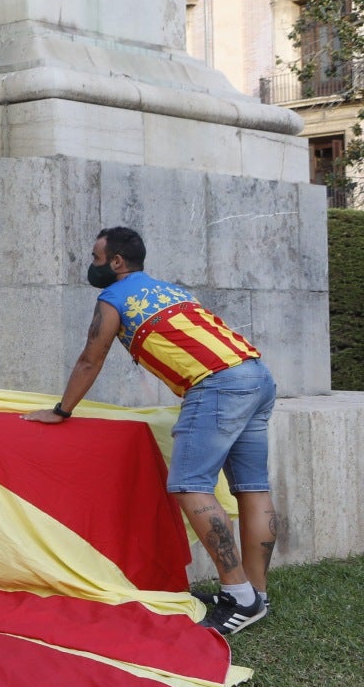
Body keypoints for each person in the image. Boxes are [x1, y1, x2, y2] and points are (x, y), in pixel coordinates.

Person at [24, 226, 277, 636]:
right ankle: (256, 595)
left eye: (96, 257)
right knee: (252, 488)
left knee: (190, 484)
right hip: (256, 374)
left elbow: (92, 357)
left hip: (215, 384)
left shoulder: (112, 297)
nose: (92, 265)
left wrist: (61, 410)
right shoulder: (173, 291)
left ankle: (238, 596)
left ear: (117, 262)